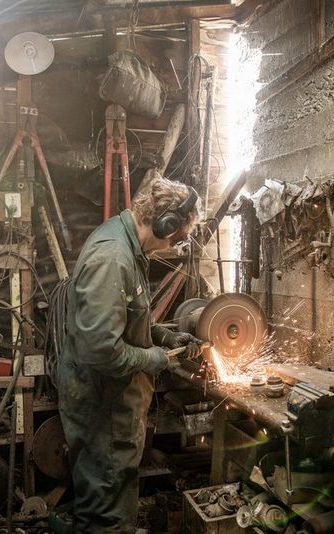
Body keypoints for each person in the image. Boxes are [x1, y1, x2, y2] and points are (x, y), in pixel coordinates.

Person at [57, 176, 203, 533]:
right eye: (178, 236)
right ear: (164, 222)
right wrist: (154, 359)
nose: (175, 244)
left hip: (113, 406)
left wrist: (164, 335)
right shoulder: (113, 259)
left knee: (113, 494)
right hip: (102, 408)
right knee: (105, 512)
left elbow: (126, 321)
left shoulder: (128, 245)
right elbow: (101, 349)